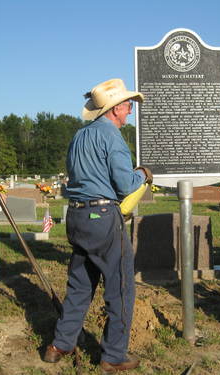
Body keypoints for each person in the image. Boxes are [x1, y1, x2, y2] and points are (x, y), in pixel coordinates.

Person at [43, 79, 152, 373]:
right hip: (103, 219)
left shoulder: (79, 136)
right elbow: (124, 183)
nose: (130, 112)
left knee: (79, 286)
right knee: (120, 288)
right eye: (128, 106)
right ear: (115, 109)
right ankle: (113, 356)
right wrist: (142, 174)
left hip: (76, 217)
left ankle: (59, 345)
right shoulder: (113, 137)